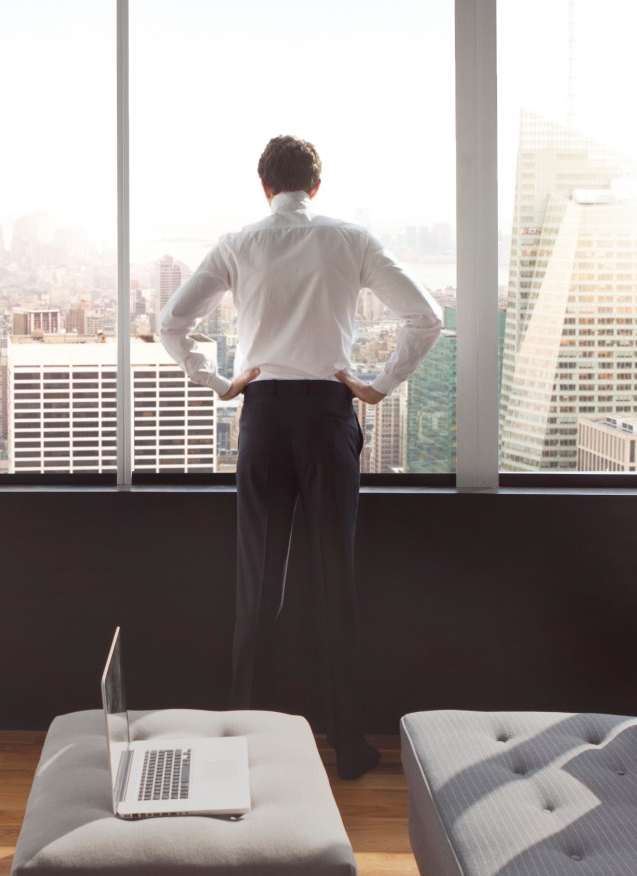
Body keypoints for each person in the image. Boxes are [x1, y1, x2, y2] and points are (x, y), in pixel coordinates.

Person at [158, 135, 441, 780]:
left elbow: (172, 323)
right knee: (334, 579)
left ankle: (240, 743)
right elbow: (425, 317)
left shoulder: (239, 243)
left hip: (262, 417)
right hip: (326, 416)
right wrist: (378, 384)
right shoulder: (351, 239)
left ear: (264, 187)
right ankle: (348, 746)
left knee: (258, 585)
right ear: (317, 186)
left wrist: (221, 383)